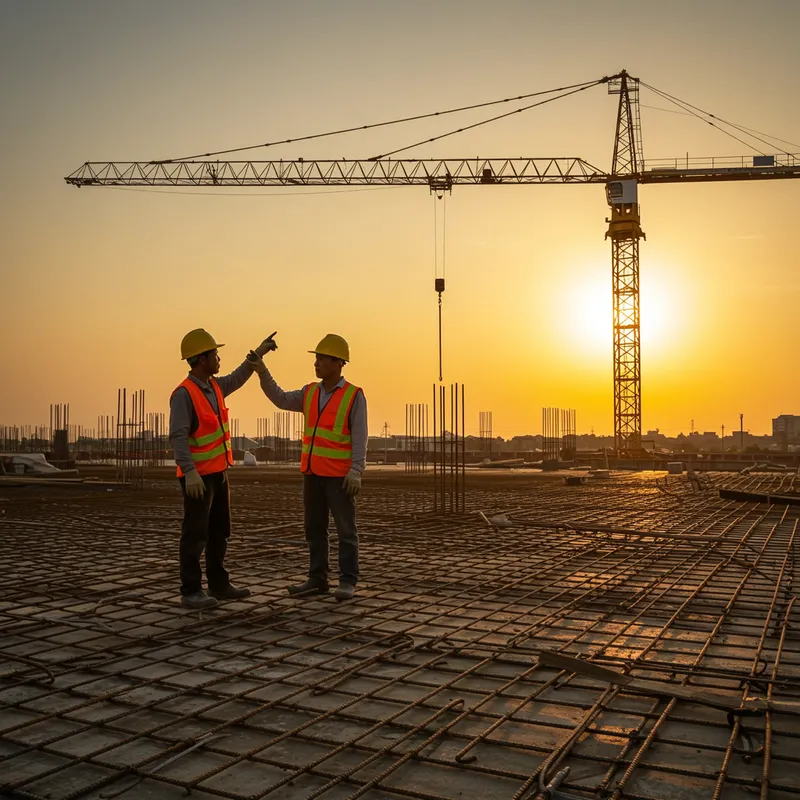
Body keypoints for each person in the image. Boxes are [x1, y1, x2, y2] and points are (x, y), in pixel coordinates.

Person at [248, 334, 367, 601]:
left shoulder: (353, 396)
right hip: (313, 475)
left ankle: (347, 580)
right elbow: (279, 398)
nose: (317, 363)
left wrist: (356, 471)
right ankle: (317, 579)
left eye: (322, 358)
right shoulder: (310, 393)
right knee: (314, 529)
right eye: (316, 358)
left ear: (338, 362)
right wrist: (262, 371)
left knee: (346, 530)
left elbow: (360, 436)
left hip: (339, 477)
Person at [170, 328, 277, 609]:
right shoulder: (184, 394)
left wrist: (259, 352)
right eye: (215, 354)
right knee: (195, 534)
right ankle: (191, 590)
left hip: (218, 474)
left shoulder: (214, 387)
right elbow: (179, 437)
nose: (219, 358)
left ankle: (218, 585)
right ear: (202, 358)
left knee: (219, 531)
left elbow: (238, 377)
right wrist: (190, 472)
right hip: (198, 478)